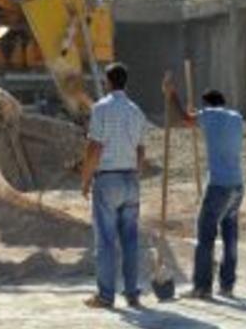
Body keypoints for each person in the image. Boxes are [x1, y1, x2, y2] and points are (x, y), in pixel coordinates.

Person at [163, 74, 244, 299]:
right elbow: (202, 121)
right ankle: (227, 285)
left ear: (206, 104)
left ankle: (201, 287)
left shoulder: (208, 115)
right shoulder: (236, 117)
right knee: (230, 237)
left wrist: (172, 94)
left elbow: (183, 119)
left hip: (218, 186)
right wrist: (198, 114)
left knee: (205, 236)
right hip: (238, 186)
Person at [82, 62, 147, 309]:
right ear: (125, 82)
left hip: (107, 179)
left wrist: (86, 179)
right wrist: (135, 176)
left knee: (106, 241)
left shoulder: (101, 108)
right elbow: (141, 150)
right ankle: (132, 293)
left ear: (107, 82)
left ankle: (106, 296)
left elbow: (95, 148)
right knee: (130, 240)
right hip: (131, 179)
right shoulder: (136, 111)